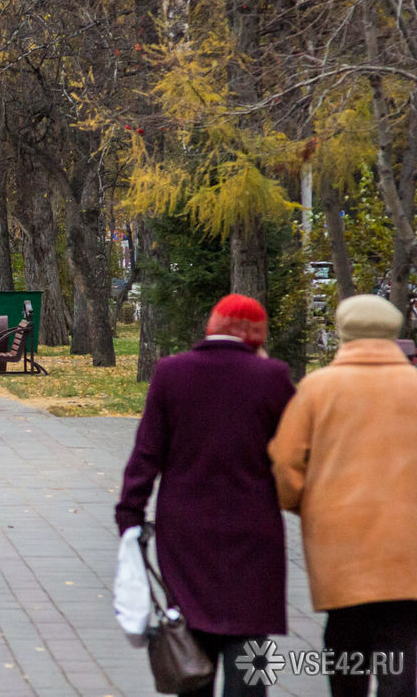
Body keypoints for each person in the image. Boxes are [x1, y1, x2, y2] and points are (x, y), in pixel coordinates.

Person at [116, 294, 296, 697]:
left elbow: (147, 451)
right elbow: (294, 453)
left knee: (192, 628)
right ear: (256, 334)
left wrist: (130, 512)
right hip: (254, 525)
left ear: (211, 326)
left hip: (184, 527)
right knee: (249, 639)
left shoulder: (172, 372)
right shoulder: (272, 377)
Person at [269, 294, 417, 697]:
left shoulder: (319, 388)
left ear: (342, 333)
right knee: (403, 633)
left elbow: (285, 462)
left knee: (345, 630)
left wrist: (302, 504)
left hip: (339, 535)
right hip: (409, 539)